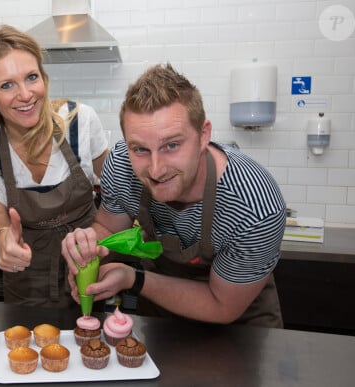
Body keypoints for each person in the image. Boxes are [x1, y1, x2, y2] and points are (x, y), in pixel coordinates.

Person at [61, 63, 285, 327]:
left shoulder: (254, 206)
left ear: (203, 135)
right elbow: (108, 229)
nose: (156, 170)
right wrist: (88, 245)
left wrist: (134, 278)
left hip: (238, 328)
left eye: (172, 145)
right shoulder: (121, 165)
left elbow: (222, 306)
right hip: (161, 320)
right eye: (140, 149)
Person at [0, 25, 108, 308]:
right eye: (7, 85)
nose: (25, 94)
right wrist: (5, 245)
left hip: (87, 274)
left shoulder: (80, 123)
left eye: (31, 77)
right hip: (27, 285)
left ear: (44, 79)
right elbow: (1, 229)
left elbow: (119, 193)